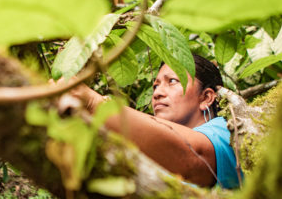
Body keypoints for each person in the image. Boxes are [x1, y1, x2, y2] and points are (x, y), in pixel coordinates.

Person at [69, 54, 242, 189]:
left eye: (172, 81)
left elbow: (193, 157)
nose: (157, 93)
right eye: (155, 86)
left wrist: (94, 103)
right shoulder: (150, 149)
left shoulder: (227, 130)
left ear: (206, 98)